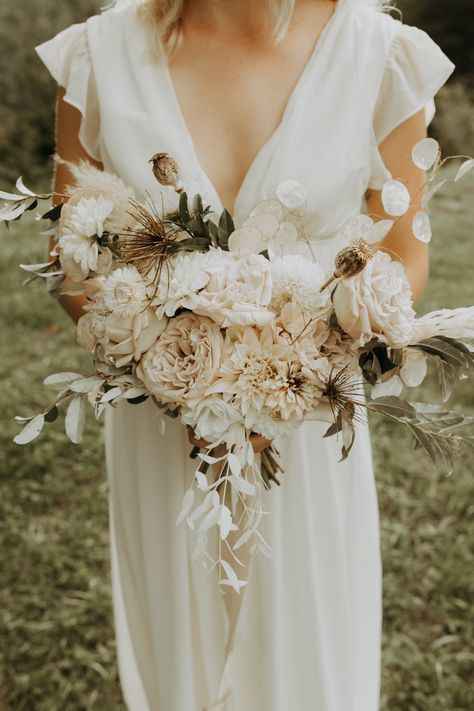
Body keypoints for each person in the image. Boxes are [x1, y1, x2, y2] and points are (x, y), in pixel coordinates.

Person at [35, 0, 454, 709]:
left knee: (311, 663)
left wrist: (302, 367)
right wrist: (182, 376)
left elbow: (404, 257)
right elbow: (69, 258)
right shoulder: (98, 56)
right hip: (159, 424)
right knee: (179, 667)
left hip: (308, 429)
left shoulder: (383, 58)